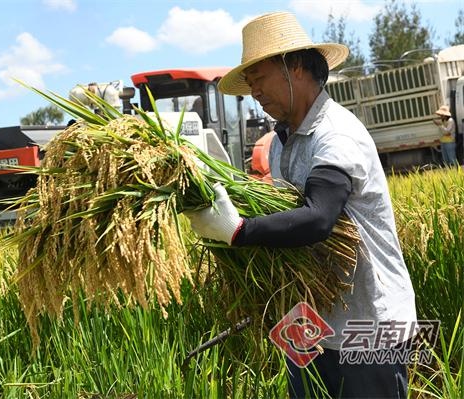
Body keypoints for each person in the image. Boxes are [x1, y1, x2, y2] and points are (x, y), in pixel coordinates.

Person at [185, 11, 417, 398]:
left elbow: (319, 218)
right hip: (306, 320)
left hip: (367, 325)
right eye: (250, 83)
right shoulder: (279, 143)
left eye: (259, 78)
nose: (254, 91)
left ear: (294, 67)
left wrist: (239, 231)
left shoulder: (336, 133)